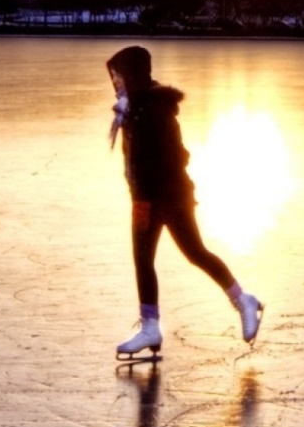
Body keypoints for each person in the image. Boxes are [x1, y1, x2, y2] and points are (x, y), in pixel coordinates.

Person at [106, 46, 261, 357]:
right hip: (146, 197)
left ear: (134, 75)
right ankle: (150, 327)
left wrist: (149, 198)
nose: (116, 83)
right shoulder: (133, 108)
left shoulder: (153, 109)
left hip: (168, 197)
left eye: (120, 76)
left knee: (195, 253)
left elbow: (176, 155)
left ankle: (243, 300)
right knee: (144, 259)